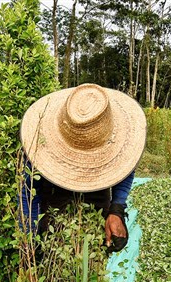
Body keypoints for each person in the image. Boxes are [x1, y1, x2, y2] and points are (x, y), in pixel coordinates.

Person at [18, 83, 147, 253]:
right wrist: (30, 241)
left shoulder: (118, 138)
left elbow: (126, 169)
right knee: (54, 255)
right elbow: (28, 193)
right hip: (53, 201)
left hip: (97, 200)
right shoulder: (39, 143)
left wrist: (117, 210)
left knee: (93, 256)